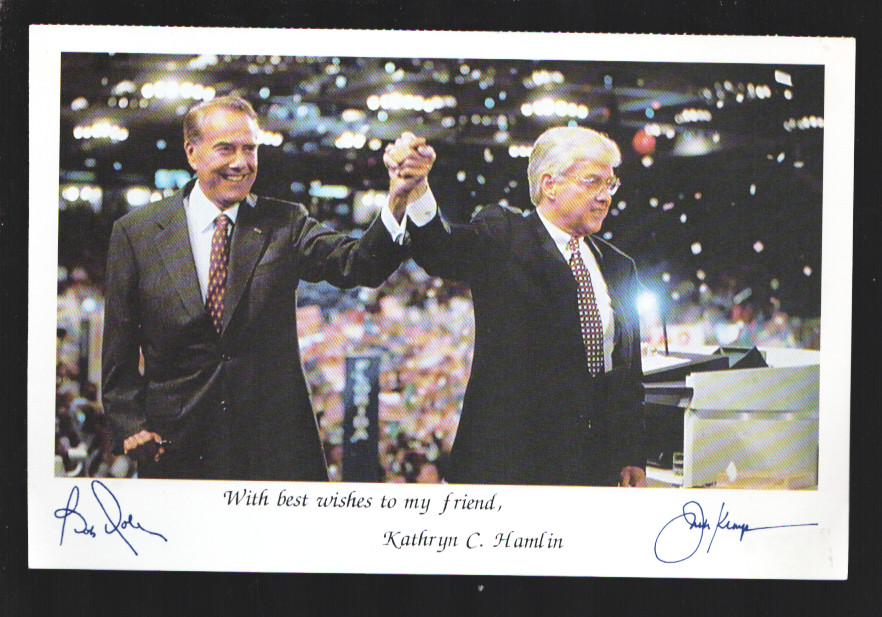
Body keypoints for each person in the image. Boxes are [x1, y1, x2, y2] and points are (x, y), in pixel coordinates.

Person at [102, 96, 426, 480]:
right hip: (176, 450)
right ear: (192, 152)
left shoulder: (285, 223)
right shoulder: (136, 234)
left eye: (250, 149)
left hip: (275, 452)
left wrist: (398, 198)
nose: (241, 162)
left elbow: (360, 264)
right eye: (226, 149)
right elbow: (119, 351)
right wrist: (129, 424)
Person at [385, 127, 647, 487]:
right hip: (511, 468)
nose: (605, 196)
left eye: (610, 185)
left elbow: (628, 375)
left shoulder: (619, 267)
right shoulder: (507, 236)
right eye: (592, 182)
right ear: (550, 185)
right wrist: (417, 189)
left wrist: (631, 452)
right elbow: (443, 250)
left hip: (592, 472)